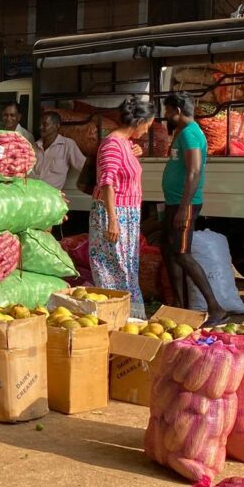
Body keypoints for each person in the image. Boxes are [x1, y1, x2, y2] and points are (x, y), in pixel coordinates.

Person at [161, 92, 227, 323]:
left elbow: (194, 171)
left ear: (177, 111)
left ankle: (215, 308)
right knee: (169, 251)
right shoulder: (182, 132)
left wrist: (183, 207)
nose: (166, 115)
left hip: (184, 203)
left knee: (182, 253)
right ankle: (179, 305)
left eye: (168, 110)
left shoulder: (190, 133)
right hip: (175, 202)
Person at [89, 96, 155, 319]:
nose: (147, 131)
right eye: (148, 125)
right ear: (139, 121)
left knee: (126, 269)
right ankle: (117, 319)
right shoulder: (112, 144)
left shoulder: (125, 143)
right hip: (115, 214)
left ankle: (130, 320)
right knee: (114, 269)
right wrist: (113, 220)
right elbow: (107, 182)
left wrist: (135, 152)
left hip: (127, 215)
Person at [34, 111, 87, 191]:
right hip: (30, 192)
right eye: (40, 124)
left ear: (56, 126)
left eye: (45, 124)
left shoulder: (68, 145)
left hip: (51, 194)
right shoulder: (34, 145)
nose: (40, 127)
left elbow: (83, 166)